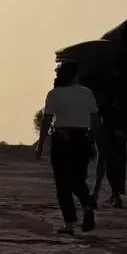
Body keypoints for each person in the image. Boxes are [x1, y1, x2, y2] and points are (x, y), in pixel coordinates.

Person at [36, 63, 101, 233]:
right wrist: (93, 140)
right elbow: (95, 118)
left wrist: (40, 144)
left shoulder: (54, 94)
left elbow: (47, 120)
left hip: (62, 140)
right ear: (74, 76)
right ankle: (87, 205)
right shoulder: (86, 92)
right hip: (82, 138)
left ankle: (70, 223)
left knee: (62, 182)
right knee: (78, 179)